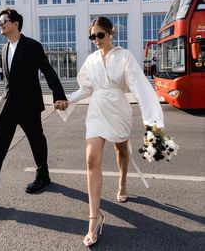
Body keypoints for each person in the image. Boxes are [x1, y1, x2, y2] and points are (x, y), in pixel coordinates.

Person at [57, 16, 164, 247]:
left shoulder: (124, 56)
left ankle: (123, 182)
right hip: (96, 110)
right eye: (92, 36)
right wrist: (68, 101)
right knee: (91, 159)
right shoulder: (91, 60)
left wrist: (152, 122)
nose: (96, 39)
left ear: (110, 33)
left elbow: (140, 87)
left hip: (118, 109)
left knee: (121, 151)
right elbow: (85, 88)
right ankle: (94, 219)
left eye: (100, 35)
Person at [0, 8, 68, 208]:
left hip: (28, 105)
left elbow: (47, 70)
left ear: (15, 23)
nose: (0, 24)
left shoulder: (32, 46)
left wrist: (59, 95)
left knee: (36, 140)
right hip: (6, 106)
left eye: (3, 21)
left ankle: (43, 174)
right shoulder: (4, 49)